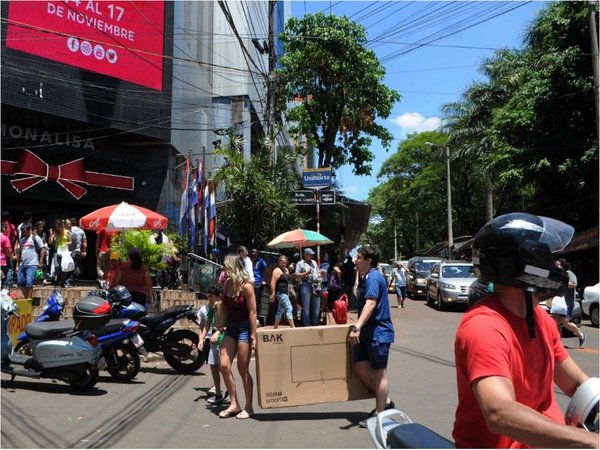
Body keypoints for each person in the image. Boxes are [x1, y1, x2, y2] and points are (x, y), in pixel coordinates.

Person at [453, 212, 597, 448]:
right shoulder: (485, 327)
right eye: (548, 257)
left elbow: (578, 385)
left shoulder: (541, 318)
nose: (556, 265)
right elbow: (499, 413)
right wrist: (589, 441)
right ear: (529, 264)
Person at [349, 245, 395, 428]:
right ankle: (386, 401)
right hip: (368, 334)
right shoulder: (366, 276)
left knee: (379, 373)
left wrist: (356, 326)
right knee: (359, 366)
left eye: (359, 257)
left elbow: (371, 303)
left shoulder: (374, 277)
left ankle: (380, 415)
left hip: (379, 334)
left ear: (368, 260)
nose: (355, 260)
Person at [217, 254, 257, 420]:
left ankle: (248, 406)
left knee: (242, 368)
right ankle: (234, 404)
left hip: (244, 329)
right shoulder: (226, 284)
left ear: (234, 268)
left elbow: (253, 312)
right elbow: (224, 305)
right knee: (224, 365)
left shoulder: (247, 287)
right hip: (231, 328)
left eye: (226, 267)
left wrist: (253, 336)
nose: (223, 270)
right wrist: (220, 323)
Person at [197, 283, 228, 405]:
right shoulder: (211, 308)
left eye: (211, 296)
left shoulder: (225, 307)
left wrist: (219, 332)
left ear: (219, 296)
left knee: (224, 368)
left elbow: (229, 324)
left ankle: (231, 394)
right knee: (213, 366)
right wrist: (201, 339)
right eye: (208, 296)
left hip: (224, 339)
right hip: (213, 342)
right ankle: (218, 394)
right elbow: (207, 324)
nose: (208, 298)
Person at [556, 258, 585, 348]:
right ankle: (558, 343)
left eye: (557, 263)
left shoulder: (569, 273)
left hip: (568, 303)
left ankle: (581, 335)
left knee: (565, 322)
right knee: (556, 322)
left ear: (562, 264)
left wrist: (562, 282)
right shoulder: (558, 274)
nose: (555, 264)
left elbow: (574, 284)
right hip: (559, 302)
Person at [16, 223, 46, 299]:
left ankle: (29, 299)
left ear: (30, 230)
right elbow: (19, 253)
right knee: (20, 282)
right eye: (22, 231)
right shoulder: (22, 240)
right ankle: (26, 299)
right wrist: (17, 264)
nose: (23, 233)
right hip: (22, 264)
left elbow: (43, 249)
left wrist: (41, 261)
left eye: (25, 231)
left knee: (29, 282)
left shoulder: (35, 238)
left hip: (32, 264)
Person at [295, 248, 321, 326]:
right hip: (305, 284)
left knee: (317, 304)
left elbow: (317, 271)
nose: (312, 256)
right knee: (306, 305)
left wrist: (320, 274)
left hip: (315, 285)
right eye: (310, 254)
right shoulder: (300, 263)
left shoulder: (314, 262)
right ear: (305, 255)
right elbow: (297, 274)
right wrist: (306, 273)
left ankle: (315, 321)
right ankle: (306, 322)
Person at [269, 255, 295, 329]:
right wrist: (273, 294)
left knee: (280, 310)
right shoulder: (277, 270)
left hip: (285, 293)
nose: (284, 264)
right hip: (281, 293)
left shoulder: (285, 270)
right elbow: (272, 282)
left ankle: (275, 327)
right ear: (279, 262)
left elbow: (289, 281)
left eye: (285, 262)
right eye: (282, 262)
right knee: (289, 308)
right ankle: (292, 326)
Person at [48, 219, 72, 288]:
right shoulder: (55, 232)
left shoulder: (66, 232)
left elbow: (70, 241)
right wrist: (51, 236)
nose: (58, 228)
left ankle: (62, 282)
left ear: (61, 226)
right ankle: (58, 279)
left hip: (64, 252)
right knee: (57, 266)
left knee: (64, 267)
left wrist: (67, 243)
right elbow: (50, 242)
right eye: (56, 227)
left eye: (59, 227)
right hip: (57, 251)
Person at [66, 217, 87, 284]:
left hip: (69, 251)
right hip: (78, 251)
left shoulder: (68, 231)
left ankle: (68, 279)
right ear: (77, 223)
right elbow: (84, 242)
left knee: (70, 265)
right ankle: (76, 279)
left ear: (70, 224)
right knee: (77, 265)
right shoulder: (81, 231)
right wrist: (84, 251)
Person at [250, 248, 268, 323]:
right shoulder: (249, 260)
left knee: (257, 300)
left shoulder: (260, 261)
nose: (254, 253)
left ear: (257, 253)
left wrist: (264, 280)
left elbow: (267, 269)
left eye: (255, 252)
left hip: (258, 283)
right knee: (250, 300)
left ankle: (257, 315)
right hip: (250, 282)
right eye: (252, 252)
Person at [1, 223, 13, 289]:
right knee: (4, 277)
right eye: (7, 229)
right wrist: (12, 257)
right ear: (3, 229)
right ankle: (7, 286)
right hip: (3, 261)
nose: (8, 230)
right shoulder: (5, 238)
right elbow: (7, 251)